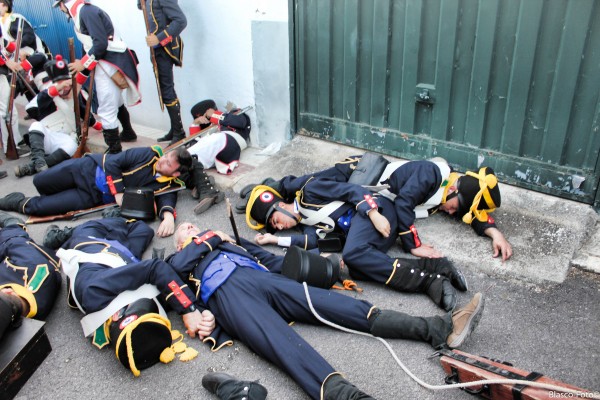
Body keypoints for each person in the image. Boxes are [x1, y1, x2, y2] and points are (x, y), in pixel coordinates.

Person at [166, 221, 485, 400]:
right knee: (283, 343)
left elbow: (274, 262)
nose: (192, 228)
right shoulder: (177, 261)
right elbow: (171, 282)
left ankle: (436, 329)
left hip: (264, 280)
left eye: (195, 225)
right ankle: (345, 397)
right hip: (227, 294)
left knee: (336, 304)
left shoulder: (226, 242)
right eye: (186, 230)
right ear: (181, 243)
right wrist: (195, 310)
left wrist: (326, 269)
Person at [245, 155, 513, 261]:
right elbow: (406, 202)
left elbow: (473, 212)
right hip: (362, 176)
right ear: (454, 189)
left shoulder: (448, 194)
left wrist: (494, 233)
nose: (452, 213)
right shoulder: (431, 175)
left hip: (368, 196)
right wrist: (413, 244)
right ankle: (271, 188)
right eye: (456, 207)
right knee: (308, 183)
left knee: (316, 217)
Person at [46, 218, 215, 376]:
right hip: (126, 256)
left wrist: (188, 309)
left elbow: (155, 268)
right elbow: (170, 290)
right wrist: (201, 315)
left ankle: (69, 233)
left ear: (117, 315)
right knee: (142, 230)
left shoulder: (95, 292)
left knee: (133, 225)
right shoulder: (137, 305)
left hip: (91, 240)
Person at [0, 145, 192, 237]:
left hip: (91, 196)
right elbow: (113, 162)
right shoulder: (148, 154)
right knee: (40, 181)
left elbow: (167, 201)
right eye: (165, 156)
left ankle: (13, 201)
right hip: (86, 169)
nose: (162, 160)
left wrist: (168, 218)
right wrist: (118, 192)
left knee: (40, 207)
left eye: (167, 163)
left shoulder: (168, 185)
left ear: (175, 172)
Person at [53, 0, 141, 153]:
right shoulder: (83, 12)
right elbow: (90, 48)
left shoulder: (86, 11)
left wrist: (83, 63)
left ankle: (115, 151)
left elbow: (100, 45)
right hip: (105, 62)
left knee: (106, 109)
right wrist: (79, 81)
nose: (60, 9)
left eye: (60, 5)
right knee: (117, 102)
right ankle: (128, 132)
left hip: (109, 63)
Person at [0, 211, 62, 340]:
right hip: (14, 241)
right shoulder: (34, 269)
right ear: (9, 292)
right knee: (13, 231)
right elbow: (14, 242)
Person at [14, 55, 78, 177]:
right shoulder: (47, 94)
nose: (65, 87)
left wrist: (98, 125)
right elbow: (39, 102)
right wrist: (56, 89)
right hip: (47, 135)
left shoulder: (76, 94)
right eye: (60, 83)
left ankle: (34, 166)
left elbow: (86, 114)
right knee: (35, 125)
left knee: (72, 146)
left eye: (66, 83)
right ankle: (38, 162)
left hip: (64, 138)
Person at [185, 100, 251, 215]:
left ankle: (201, 185)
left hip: (227, 140)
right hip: (214, 149)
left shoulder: (233, 114)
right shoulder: (208, 130)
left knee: (185, 157)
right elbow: (194, 143)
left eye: (204, 117)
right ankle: (203, 185)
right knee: (191, 158)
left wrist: (214, 115)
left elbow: (240, 122)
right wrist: (196, 123)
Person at [138, 0, 187, 145]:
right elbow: (141, 7)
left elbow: (181, 21)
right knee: (164, 89)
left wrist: (158, 38)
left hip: (165, 48)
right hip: (157, 49)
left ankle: (179, 132)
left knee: (167, 89)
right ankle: (175, 129)